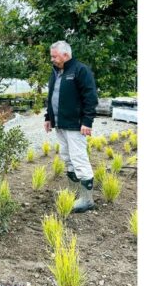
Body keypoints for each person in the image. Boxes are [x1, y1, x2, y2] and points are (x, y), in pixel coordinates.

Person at [44, 41, 99, 212]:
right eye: (51, 55)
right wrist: (48, 117)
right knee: (67, 157)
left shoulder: (80, 70)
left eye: (54, 56)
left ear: (65, 55)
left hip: (76, 125)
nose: (51, 59)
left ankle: (87, 199)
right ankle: (74, 191)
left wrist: (87, 121)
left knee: (78, 158)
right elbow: (51, 95)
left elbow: (90, 97)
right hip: (60, 124)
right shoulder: (55, 72)